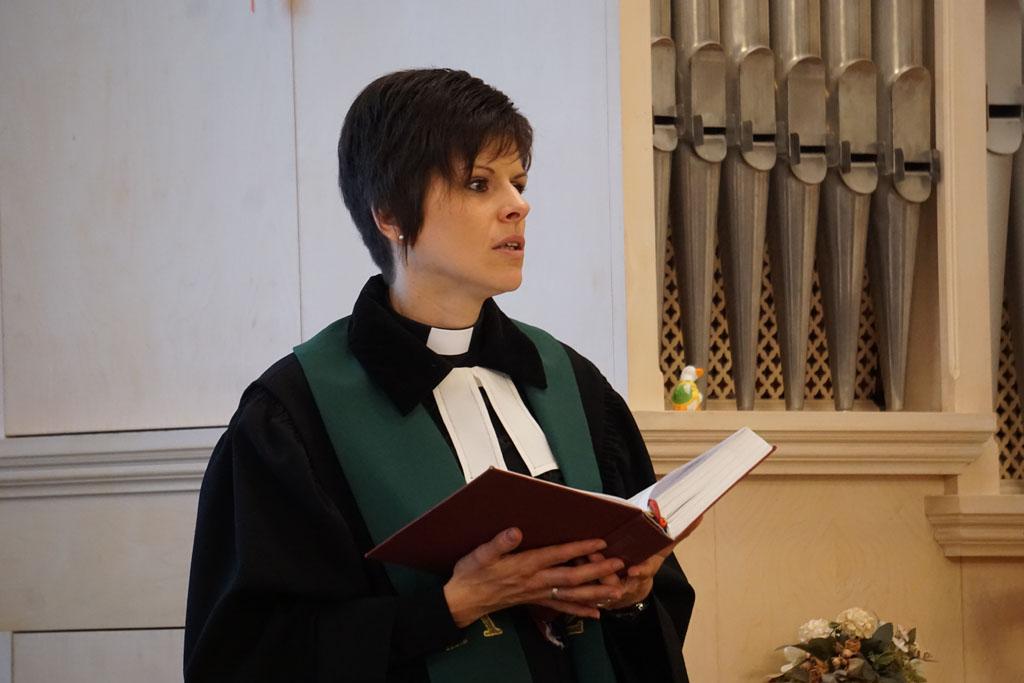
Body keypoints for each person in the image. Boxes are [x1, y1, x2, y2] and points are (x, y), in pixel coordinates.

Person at [184, 68, 695, 683]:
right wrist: (452, 606)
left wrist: (632, 594)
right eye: (479, 183)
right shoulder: (294, 415)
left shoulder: (572, 384)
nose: (518, 205)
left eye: (518, 182)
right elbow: (247, 657)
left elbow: (659, 605)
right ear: (389, 215)